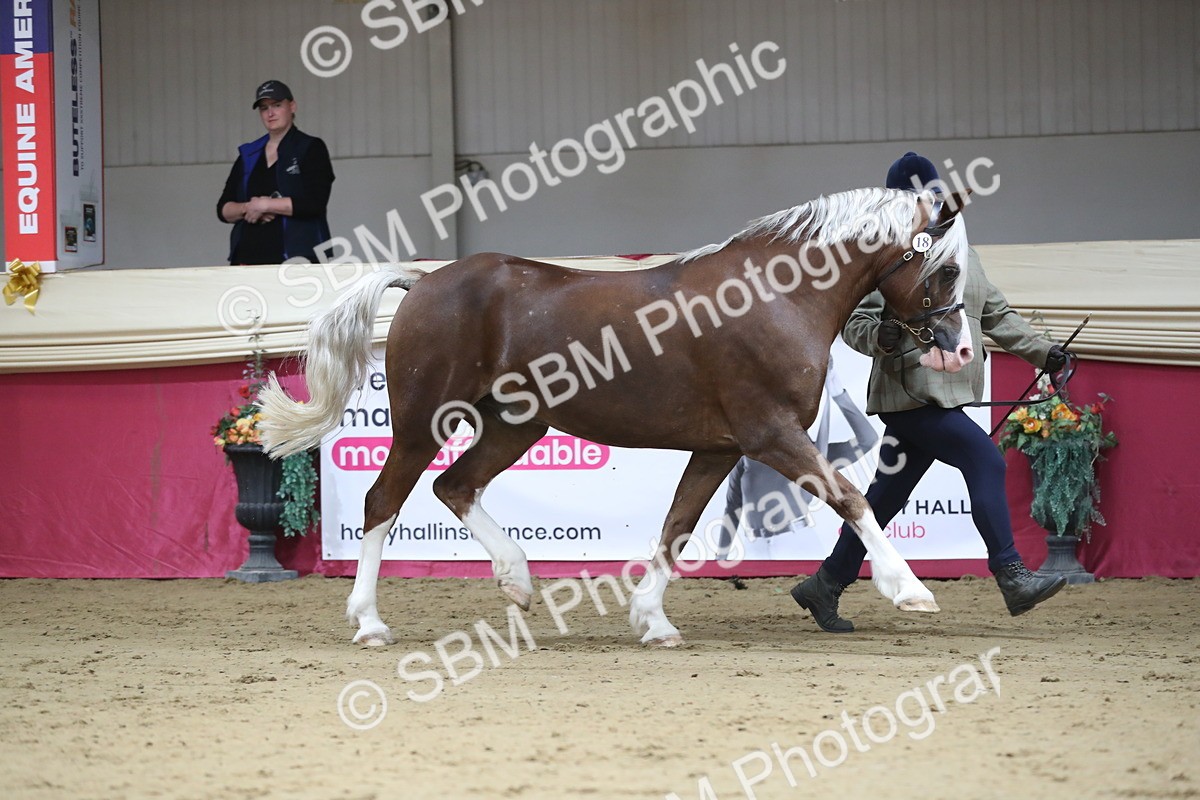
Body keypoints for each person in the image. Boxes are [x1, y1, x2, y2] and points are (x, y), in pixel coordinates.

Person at [791, 151, 1070, 633]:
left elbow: (996, 316)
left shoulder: (962, 252)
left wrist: (1044, 354)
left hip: (951, 393)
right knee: (986, 460)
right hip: (910, 396)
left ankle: (825, 584)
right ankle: (1011, 574)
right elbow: (856, 325)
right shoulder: (885, 255)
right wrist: (885, 336)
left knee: (883, 501)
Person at [218, 80, 334, 264]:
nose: (270, 113)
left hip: (298, 260)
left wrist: (267, 205)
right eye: (264, 108)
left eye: (277, 105)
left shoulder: (310, 148)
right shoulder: (249, 153)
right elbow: (223, 209)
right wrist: (249, 207)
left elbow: (315, 203)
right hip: (247, 258)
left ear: (292, 106)